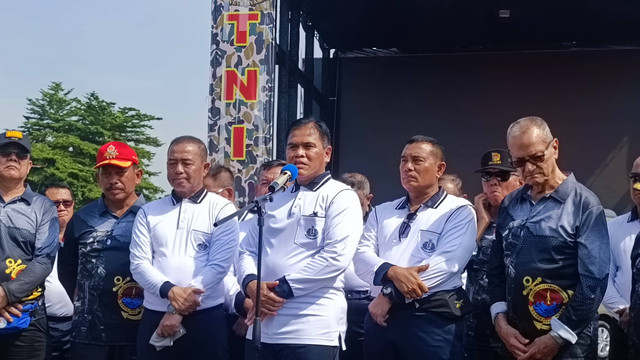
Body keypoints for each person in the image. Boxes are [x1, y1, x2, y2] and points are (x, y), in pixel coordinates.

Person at [237, 117, 363, 359]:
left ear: (327, 153)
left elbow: (335, 257)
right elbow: (246, 251)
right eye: (293, 147)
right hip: (263, 328)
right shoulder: (273, 198)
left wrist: (277, 291)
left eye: (308, 146)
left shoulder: (340, 196)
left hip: (312, 329)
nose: (299, 154)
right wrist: (250, 284)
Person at [487, 116, 609, 359]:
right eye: (519, 162)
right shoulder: (511, 203)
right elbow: (496, 268)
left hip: (568, 344)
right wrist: (500, 320)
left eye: (536, 158)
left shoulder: (584, 205)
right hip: (514, 340)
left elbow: (593, 282)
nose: (529, 168)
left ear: (554, 147)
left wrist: (557, 337)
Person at [353, 135, 477, 360]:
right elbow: (361, 258)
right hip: (381, 321)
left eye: (417, 160)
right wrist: (391, 271)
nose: (408, 167)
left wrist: (389, 295)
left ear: (439, 169)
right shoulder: (382, 212)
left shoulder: (458, 210)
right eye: (403, 160)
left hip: (431, 321)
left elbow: (446, 265)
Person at [130, 135, 239, 359]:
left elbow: (218, 267)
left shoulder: (222, 210)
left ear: (205, 167)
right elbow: (139, 265)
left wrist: (177, 310)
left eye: (186, 163)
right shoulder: (148, 211)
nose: (178, 169)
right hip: (155, 316)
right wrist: (169, 291)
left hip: (205, 318)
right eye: (172, 163)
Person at [57, 141, 146, 360]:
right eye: (106, 173)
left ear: (138, 175)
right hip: (89, 335)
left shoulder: (154, 217)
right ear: (98, 179)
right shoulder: (81, 219)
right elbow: (67, 271)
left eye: (121, 172)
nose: (113, 180)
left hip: (141, 331)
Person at [0, 130, 59, 360]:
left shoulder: (44, 207)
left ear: (29, 165)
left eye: (20, 155)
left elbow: (44, 261)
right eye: (5, 152)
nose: (13, 158)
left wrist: (6, 293)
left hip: (26, 317)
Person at [464, 149, 522, 359]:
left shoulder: (527, 222)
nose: (493, 182)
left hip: (513, 329)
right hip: (475, 327)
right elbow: (456, 265)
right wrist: (482, 223)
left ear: (520, 182)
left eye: (503, 176)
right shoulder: (471, 220)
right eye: (487, 176)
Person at [203, 163, 250, 360]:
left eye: (208, 195)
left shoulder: (253, 226)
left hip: (248, 316)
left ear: (228, 194)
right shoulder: (204, 227)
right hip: (210, 316)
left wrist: (245, 311)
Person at [605, 156, 640, 358]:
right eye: (633, 178)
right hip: (622, 325)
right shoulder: (613, 227)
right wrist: (625, 310)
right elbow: (603, 277)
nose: (637, 185)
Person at [338, 172, 374, 360]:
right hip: (335, 300)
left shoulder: (378, 224)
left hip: (367, 303)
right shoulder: (329, 222)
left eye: (357, 204)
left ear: (368, 199)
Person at [43, 182, 76, 360]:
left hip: (78, 325)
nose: (61, 207)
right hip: (43, 324)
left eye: (67, 203)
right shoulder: (34, 240)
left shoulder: (86, 238)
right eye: (54, 203)